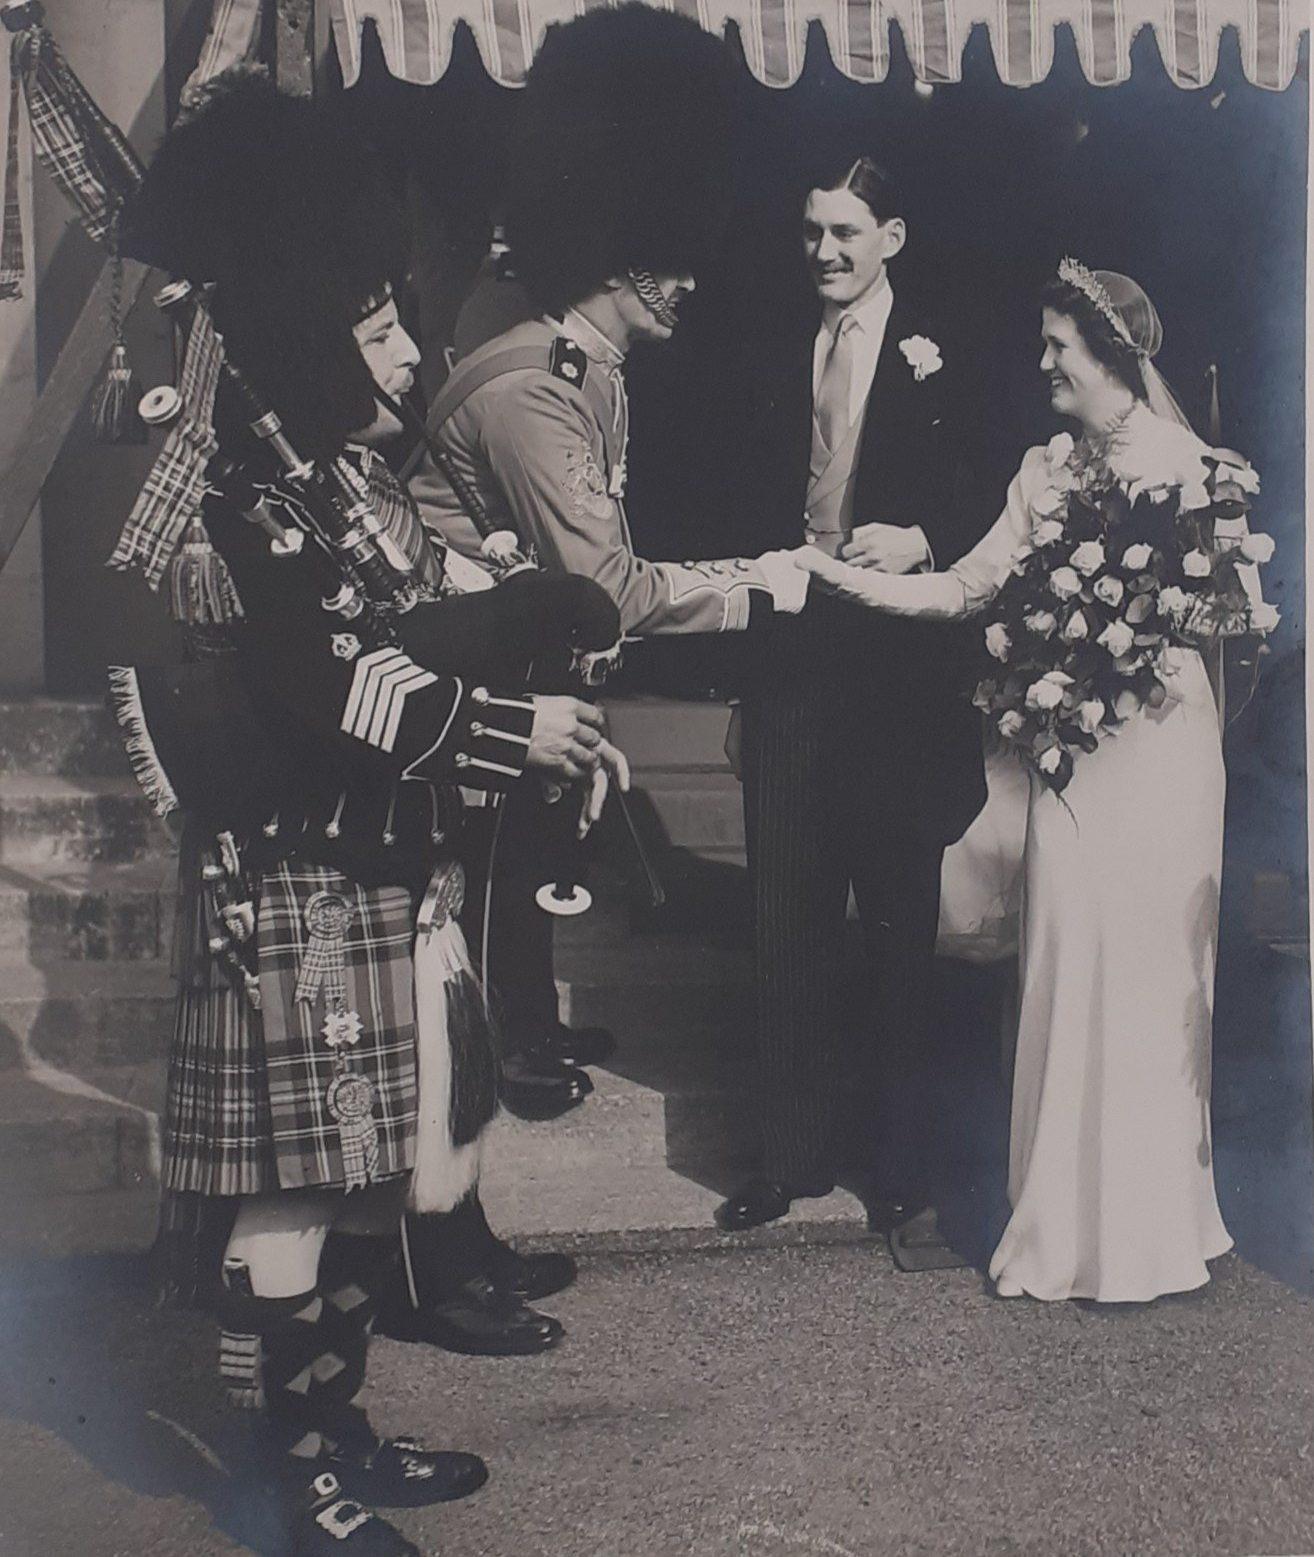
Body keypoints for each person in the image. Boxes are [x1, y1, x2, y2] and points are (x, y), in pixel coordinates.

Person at [111, 74, 625, 1554]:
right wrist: (522, 725)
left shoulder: (327, 484)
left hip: (360, 870)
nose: (406, 356)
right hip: (289, 875)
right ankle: (292, 1481)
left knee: (356, 1183)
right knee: (298, 1188)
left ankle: (330, 1433)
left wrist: (527, 611)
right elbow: (346, 694)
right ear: (296, 318)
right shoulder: (238, 503)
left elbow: (421, 624)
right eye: (379, 325)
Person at [405, 2, 812, 1295]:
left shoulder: (588, 368)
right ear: (625, 259)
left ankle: (456, 1228)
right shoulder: (537, 383)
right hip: (454, 715)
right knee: (447, 983)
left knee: (469, 973)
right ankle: (433, 1248)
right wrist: (766, 588)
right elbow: (609, 593)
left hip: (505, 702)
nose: (691, 278)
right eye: (669, 258)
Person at [796, 263, 1251, 1303]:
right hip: (1074, 757)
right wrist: (836, 577)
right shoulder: (1045, 470)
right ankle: (1063, 1224)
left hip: (1165, 754)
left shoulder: (1191, 468)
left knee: (1151, 979)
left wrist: (1135, 619)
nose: (1042, 363)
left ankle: (1150, 1231)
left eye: (1059, 348)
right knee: (1061, 962)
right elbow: (965, 586)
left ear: (1110, 358)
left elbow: (1237, 622)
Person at [714, 154, 989, 1239]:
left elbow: (1000, 484)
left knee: (894, 928)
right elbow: (741, 492)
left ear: (894, 238)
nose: (825, 253)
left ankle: (902, 1163)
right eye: (814, 232)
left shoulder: (943, 354)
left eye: (847, 233)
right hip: (790, 665)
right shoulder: (778, 348)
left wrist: (927, 537)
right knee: (784, 919)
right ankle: (788, 1157)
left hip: (896, 680)